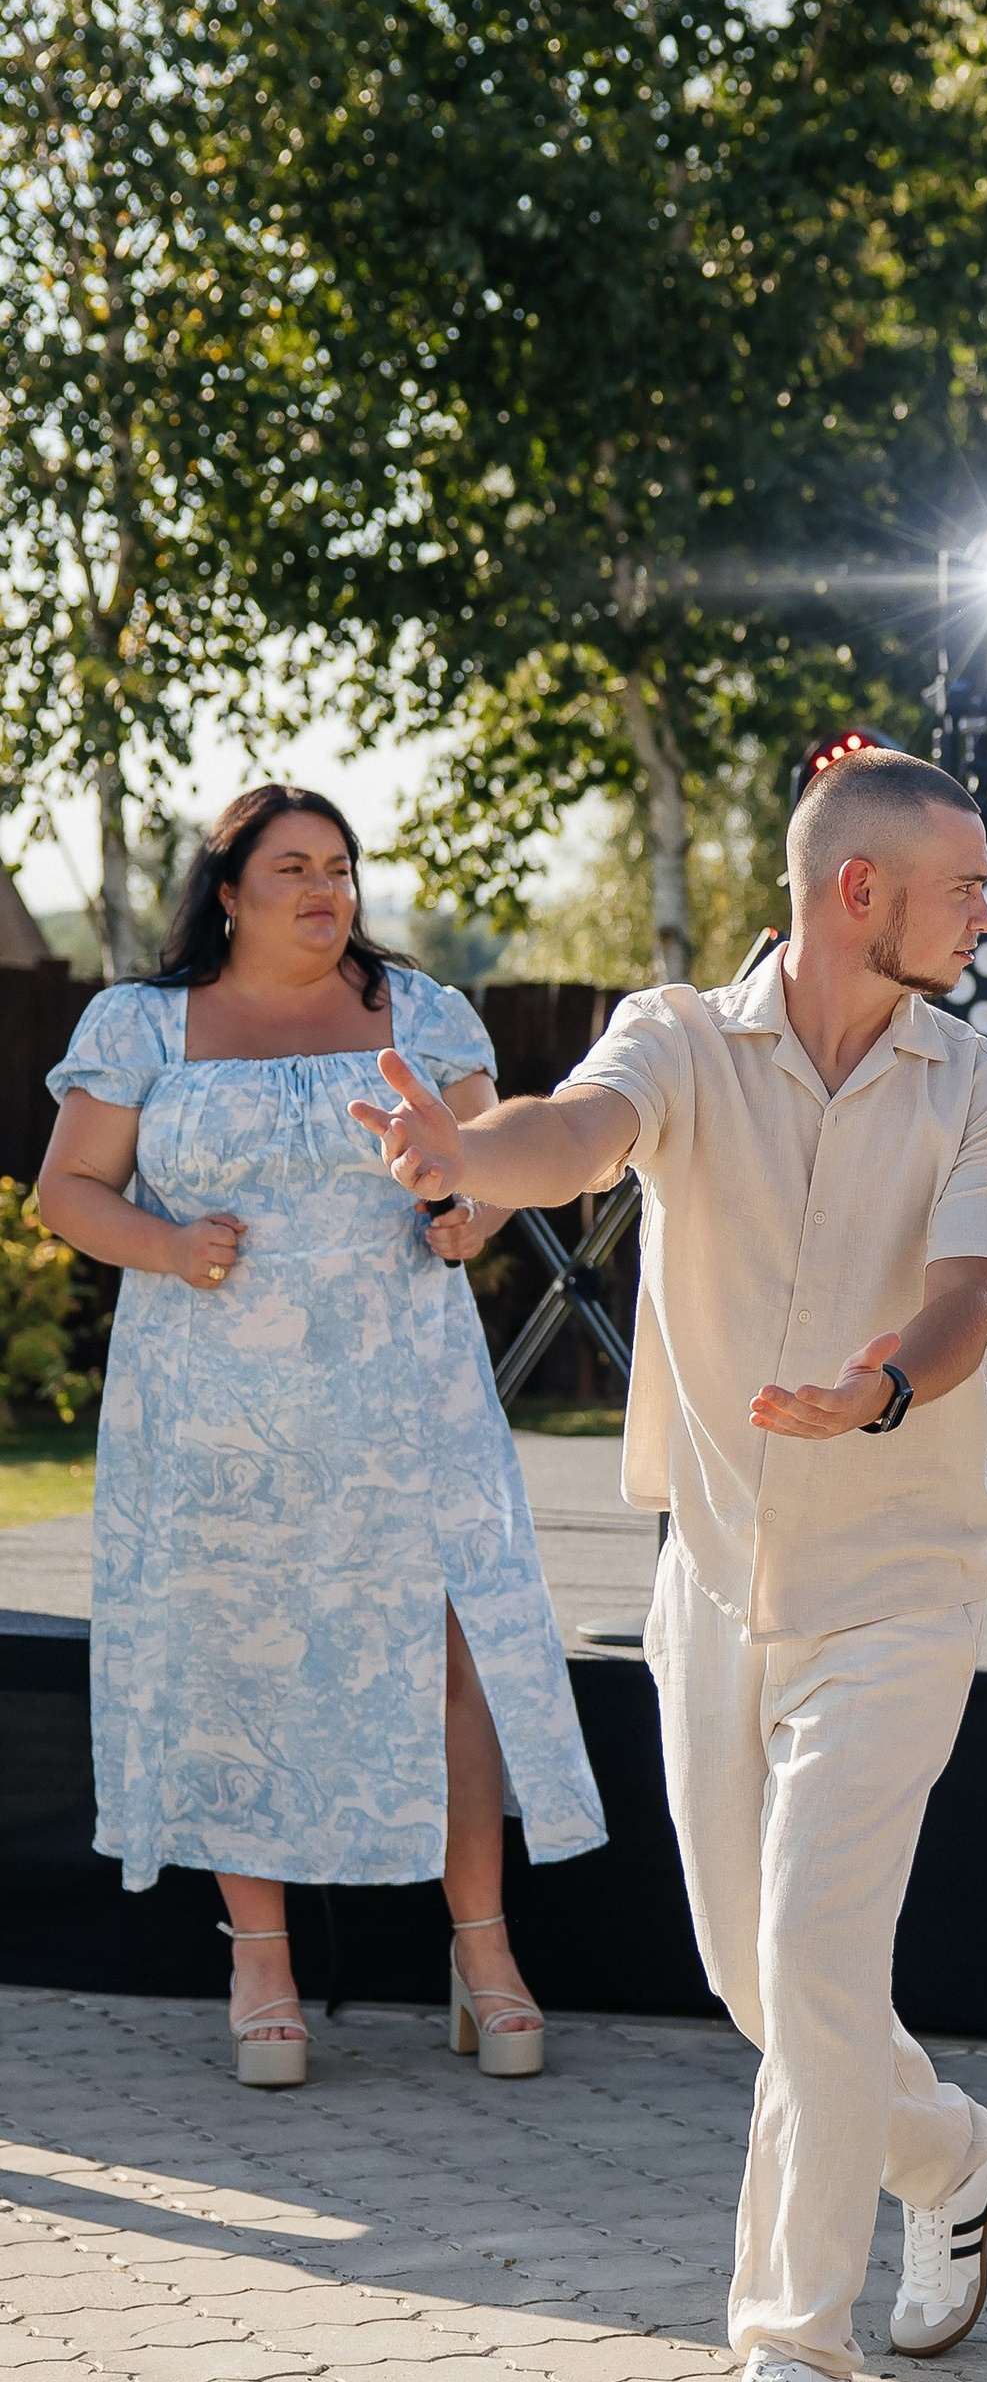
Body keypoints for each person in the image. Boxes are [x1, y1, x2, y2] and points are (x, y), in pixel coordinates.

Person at [349, 746, 987, 2382]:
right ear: (858, 890)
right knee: (754, 1977)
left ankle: (791, 2354)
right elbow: (575, 1132)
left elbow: (973, 1286)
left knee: (813, 1958)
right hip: (717, 1581)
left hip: (901, 1583)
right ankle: (951, 2154)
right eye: (964, 882)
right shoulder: (675, 1038)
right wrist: (471, 1152)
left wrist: (883, 1386)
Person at [38, 785, 604, 2089]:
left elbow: (491, 1164)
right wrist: (167, 1245)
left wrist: (466, 1210)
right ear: (228, 889)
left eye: (340, 867)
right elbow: (69, 1187)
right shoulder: (140, 1024)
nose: (323, 888)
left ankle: (483, 1953)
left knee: (450, 1654)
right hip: (213, 1411)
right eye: (292, 866)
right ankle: (261, 1963)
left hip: (406, 1400)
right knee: (237, 1662)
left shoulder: (422, 1013)